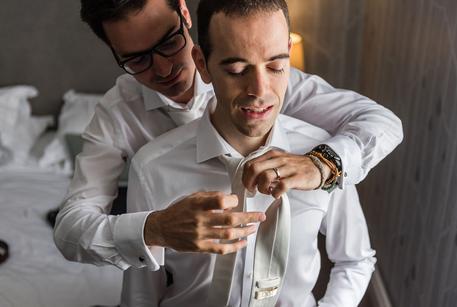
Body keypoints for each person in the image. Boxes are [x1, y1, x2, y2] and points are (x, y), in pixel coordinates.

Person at [54, 0, 401, 270]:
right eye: (137, 59)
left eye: (168, 43)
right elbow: (71, 228)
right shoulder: (117, 113)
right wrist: (154, 229)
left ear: (184, 14)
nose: (163, 68)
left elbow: (381, 123)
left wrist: (323, 164)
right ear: (116, 54)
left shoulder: (267, 84)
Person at [124, 0, 376, 305]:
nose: (260, 90)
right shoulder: (152, 168)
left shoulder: (324, 157)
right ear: (202, 64)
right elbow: (141, 294)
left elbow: (355, 260)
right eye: (236, 70)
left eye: (275, 66)